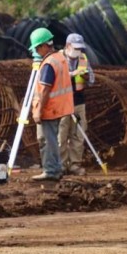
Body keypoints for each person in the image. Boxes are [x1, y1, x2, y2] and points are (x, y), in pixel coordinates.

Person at [28, 27, 74, 182]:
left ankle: (51, 170)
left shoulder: (48, 63)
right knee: (51, 139)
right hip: (58, 107)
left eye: (36, 48)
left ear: (42, 46)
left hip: (49, 108)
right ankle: (55, 168)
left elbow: (45, 90)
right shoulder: (60, 58)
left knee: (47, 140)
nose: (36, 51)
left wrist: (38, 111)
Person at [57, 33, 94, 176]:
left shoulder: (83, 58)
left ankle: (74, 165)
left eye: (80, 48)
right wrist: (70, 75)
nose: (78, 51)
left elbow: (91, 79)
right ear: (68, 46)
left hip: (78, 102)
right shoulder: (57, 58)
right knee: (61, 134)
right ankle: (61, 165)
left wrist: (84, 75)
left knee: (78, 135)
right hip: (61, 102)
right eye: (75, 48)